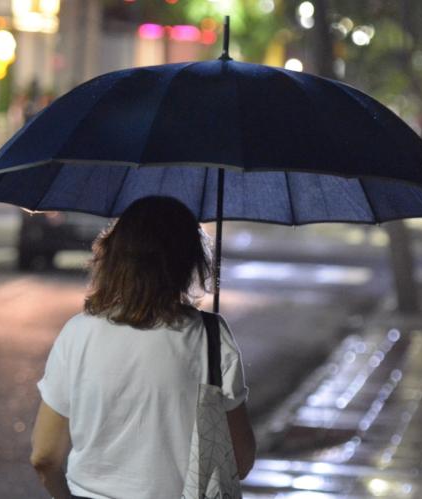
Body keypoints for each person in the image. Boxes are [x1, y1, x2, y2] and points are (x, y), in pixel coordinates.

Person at [30, 196, 256, 499]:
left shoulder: (78, 334)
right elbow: (239, 461)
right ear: (188, 260)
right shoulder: (211, 337)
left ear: (112, 257)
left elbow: (44, 456)